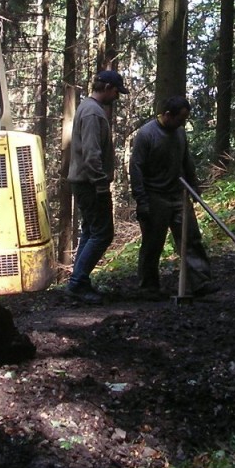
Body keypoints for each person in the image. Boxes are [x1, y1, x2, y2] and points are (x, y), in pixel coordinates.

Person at [129, 96, 217, 300]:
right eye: (180, 118)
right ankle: (148, 287)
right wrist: (141, 200)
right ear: (168, 115)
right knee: (153, 243)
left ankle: (200, 281)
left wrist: (193, 185)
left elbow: (187, 161)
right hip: (154, 197)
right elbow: (136, 168)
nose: (182, 123)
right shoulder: (147, 134)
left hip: (179, 194)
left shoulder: (179, 133)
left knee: (191, 237)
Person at [65, 69, 128, 303]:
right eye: (116, 92)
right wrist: (100, 182)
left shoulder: (87, 108)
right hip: (89, 183)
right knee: (103, 233)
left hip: (84, 181)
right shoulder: (93, 112)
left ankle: (78, 281)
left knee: (91, 231)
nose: (117, 97)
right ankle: (77, 282)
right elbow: (92, 154)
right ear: (108, 88)